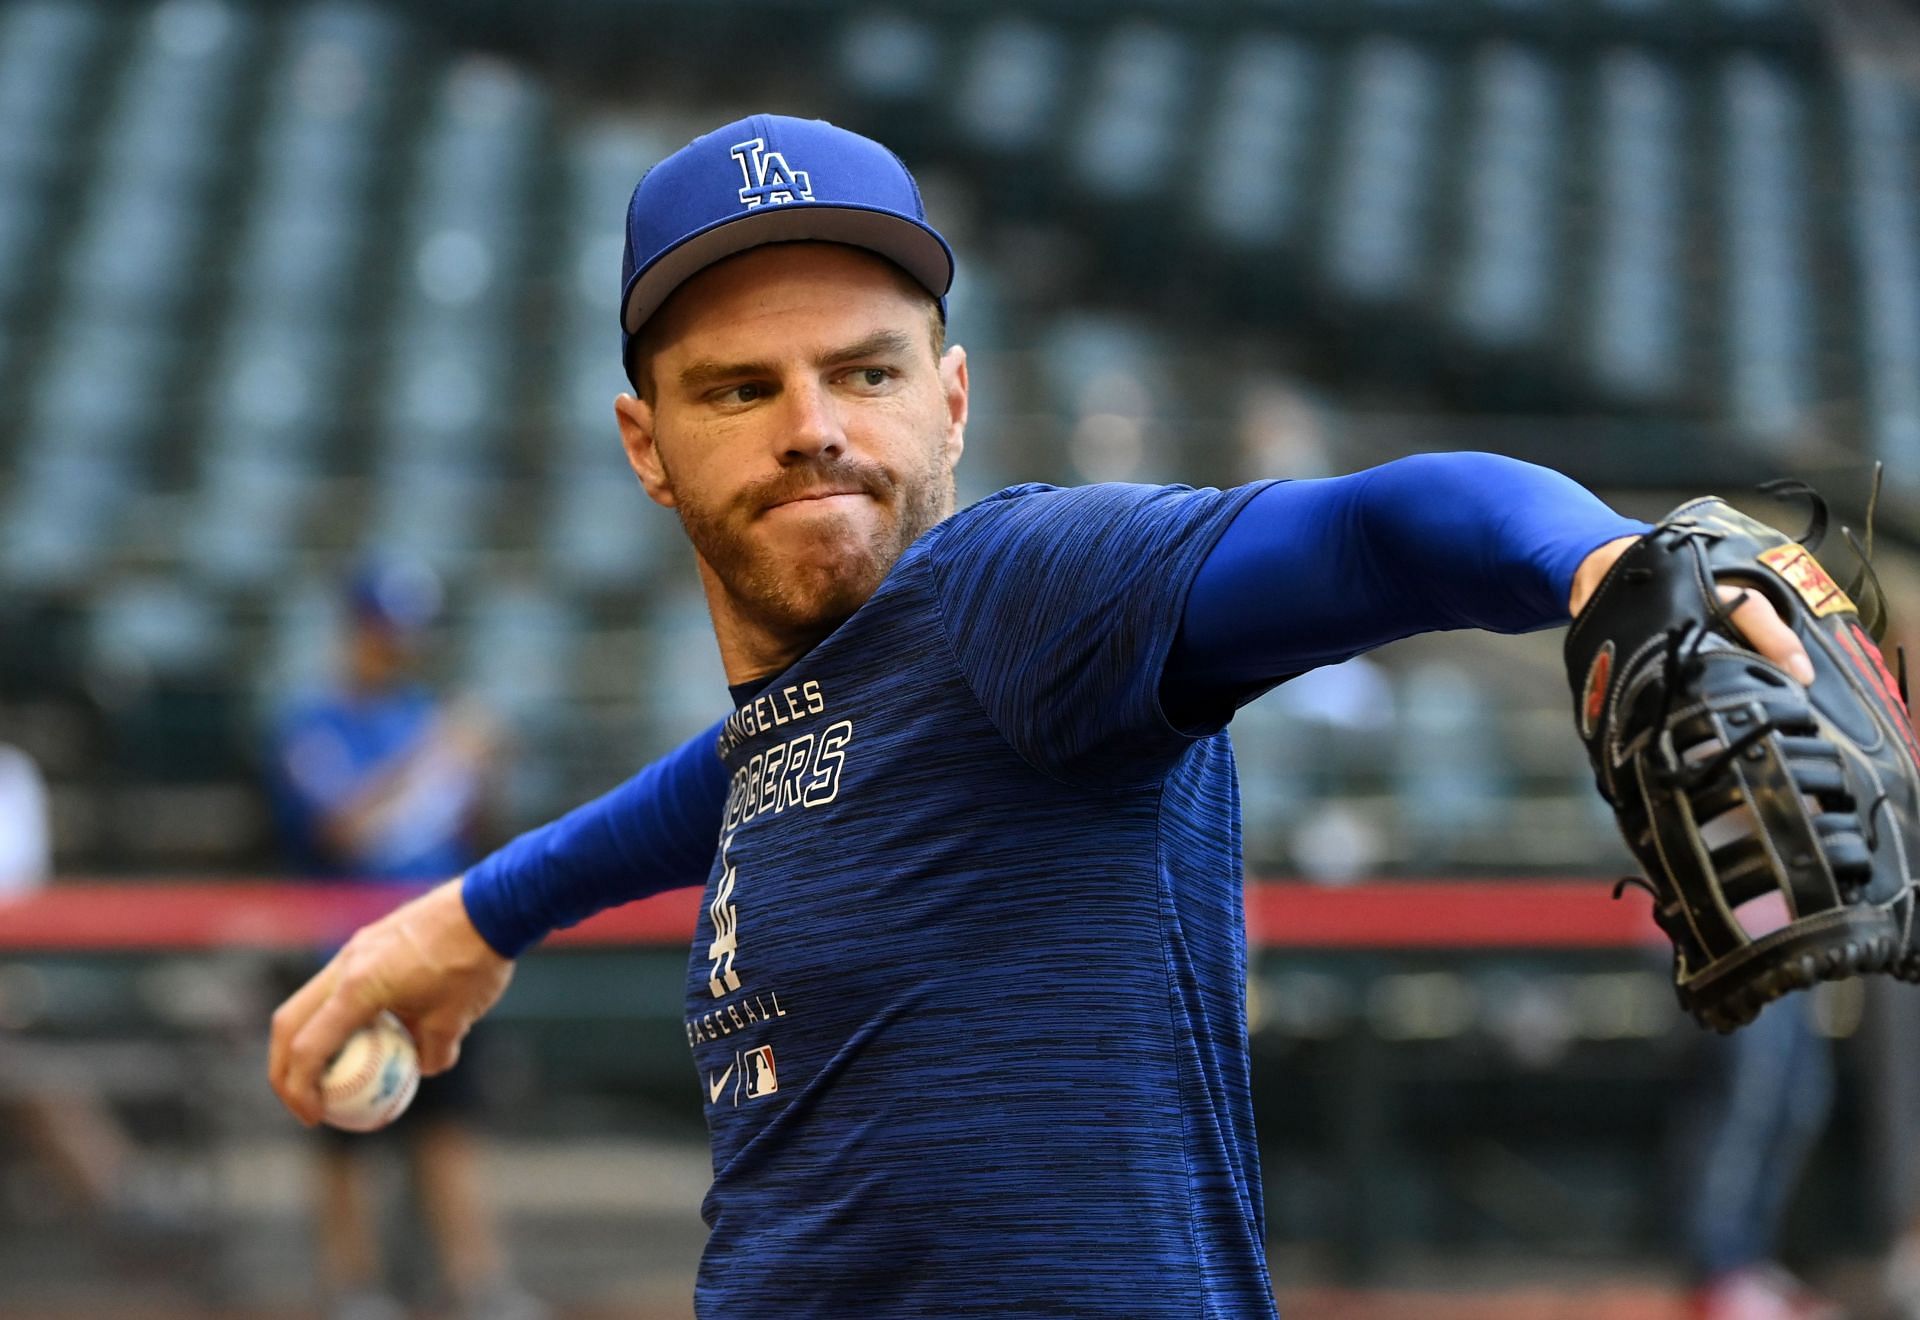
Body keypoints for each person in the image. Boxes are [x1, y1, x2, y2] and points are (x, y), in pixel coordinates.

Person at [267, 114, 1820, 1317]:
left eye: (862, 372)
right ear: (646, 444)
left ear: (950, 399)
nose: (813, 428)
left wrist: (1602, 561)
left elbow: (1380, 531)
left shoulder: (1021, 596)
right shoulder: (825, 716)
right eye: (741, 389)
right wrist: (470, 917)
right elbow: (721, 783)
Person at [266, 562, 542, 1320]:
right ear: (354, 630)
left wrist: (485, 772)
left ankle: (476, 1284)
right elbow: (344, 830)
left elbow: (471, 836)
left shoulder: (432, 717)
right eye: (382, 630)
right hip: (342, 951)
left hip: (439, 945)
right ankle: (353, 1290)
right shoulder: (315, 724)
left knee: (448, 1127)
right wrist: (439, 754)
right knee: (344, 1133)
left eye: (405, 633)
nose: (394, 646)